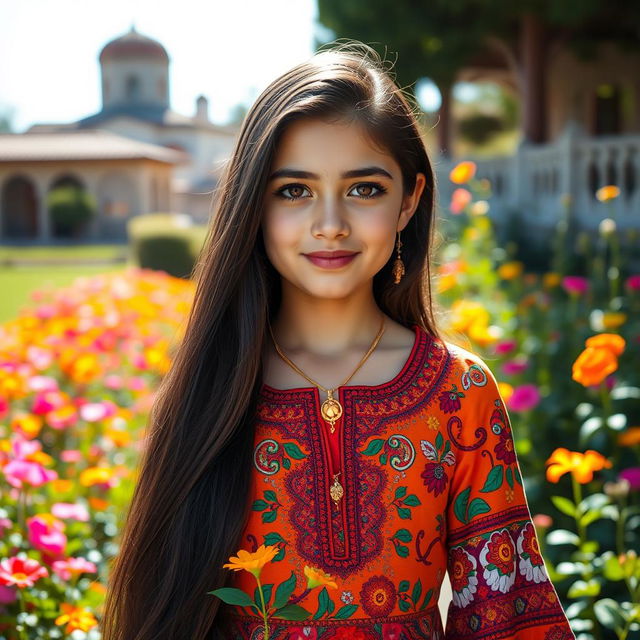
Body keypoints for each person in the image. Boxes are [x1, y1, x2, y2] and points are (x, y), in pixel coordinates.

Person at [101, 42, 576, 640]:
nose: (330, 222)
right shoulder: (212, 383)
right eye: (294, 190)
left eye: (364, 189)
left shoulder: (459, 391)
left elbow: (506, 615)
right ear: (254, 205)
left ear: (409, 202)